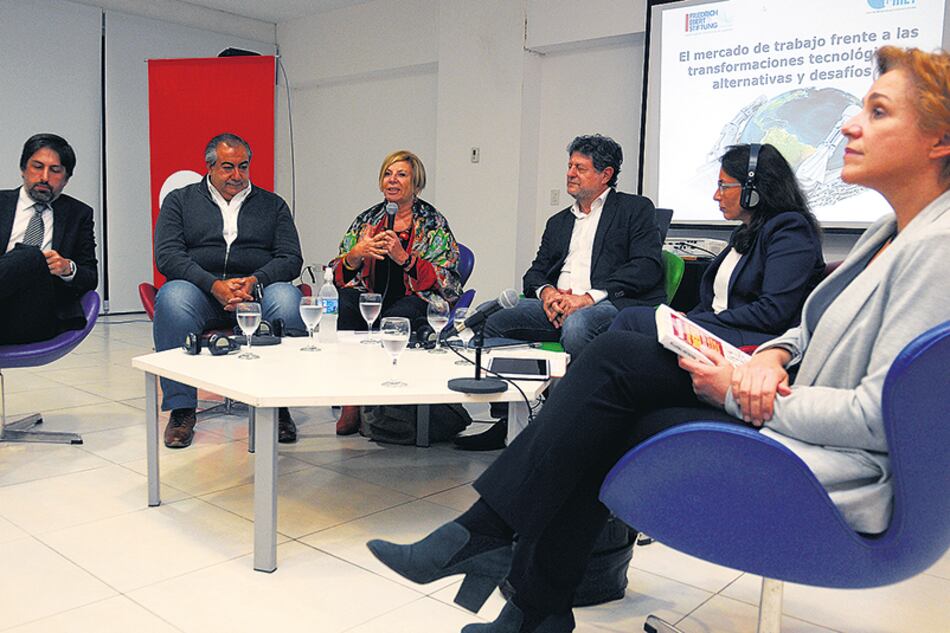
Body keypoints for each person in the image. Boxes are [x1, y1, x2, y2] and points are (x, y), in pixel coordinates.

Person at [366, 46, 950, 632]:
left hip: (822, 454)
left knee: (613, 361)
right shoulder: (888, 231)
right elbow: (805, 326)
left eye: (877, 112)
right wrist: (774, 355)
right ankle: (527, 600)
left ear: (940, 140)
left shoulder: (938, 249)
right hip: (775, 392)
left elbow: (882, 417)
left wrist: (744, 388)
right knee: (600, 402)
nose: (850, 122)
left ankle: (493, 546)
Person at [457, 134, 664, 450]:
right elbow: (534, 273)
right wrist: (548, 293)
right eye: (569, 166)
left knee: (578, 325)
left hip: (610, 304)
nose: (570, 173)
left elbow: (646, 267)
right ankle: (509, 419)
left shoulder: (634, 210)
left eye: (580, 168)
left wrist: (586, 298)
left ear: (605, 174)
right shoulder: (558, 222)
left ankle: (577, 426)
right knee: (491, 318)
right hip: (558, 304)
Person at [153, 133, 305, 448]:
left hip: (257, 294)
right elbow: (168, 256)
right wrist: (213, 285)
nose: (237, 176)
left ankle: (278, 405)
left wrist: (256, 280)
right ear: (209, 167)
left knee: (289, 299)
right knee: (172, 298)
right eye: (227, 167)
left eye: (243, 167)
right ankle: (181, 408)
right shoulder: (180, 201)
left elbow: (291, 259)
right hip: (202, 293)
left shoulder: (273, 205)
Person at [610, 143, 825, 348]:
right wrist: (691, 319)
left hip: (751, 339)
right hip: (719, 329)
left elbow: (772, 312)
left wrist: (701, 322)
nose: (716, 195)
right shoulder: (745, 232)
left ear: (753, 188)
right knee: (630, 327)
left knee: (632, 321)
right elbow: (715, 300)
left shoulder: (791, 230)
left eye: (723, 185)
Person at [330, 150, 461, 435]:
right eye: (388, 174)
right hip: (371, 295)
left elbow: (448, 280)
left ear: (416, 184)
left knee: (397, 317)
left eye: (401, 175)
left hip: (415, 299)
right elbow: (337, 272)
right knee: (346, 303)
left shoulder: (432, 223)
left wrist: (405, 258)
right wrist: (355, 255)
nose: (392, 181)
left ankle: (388, 406)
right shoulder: (367, 220)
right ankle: (351, 401)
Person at [0, 134, 98, 345]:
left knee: (31, 256)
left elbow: (90, 276)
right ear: (23, 169)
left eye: (55, 170)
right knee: (27, 256)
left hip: (35, 316)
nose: (44, 177)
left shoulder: (78, 214)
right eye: (37, 167)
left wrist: (67, 268)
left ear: (66, 179)